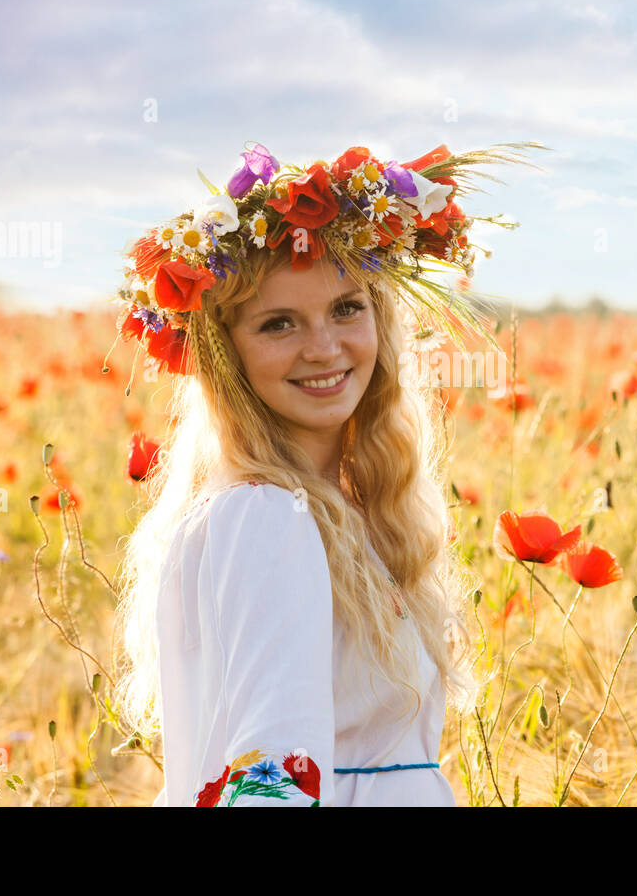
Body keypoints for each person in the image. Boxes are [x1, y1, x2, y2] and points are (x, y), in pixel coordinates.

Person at [109, 140, 543, 806]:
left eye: (346, 309)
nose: (324, 348)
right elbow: (272, 780)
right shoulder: (266, 518)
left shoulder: (320, 513)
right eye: (278, 324)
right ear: (227, 357)